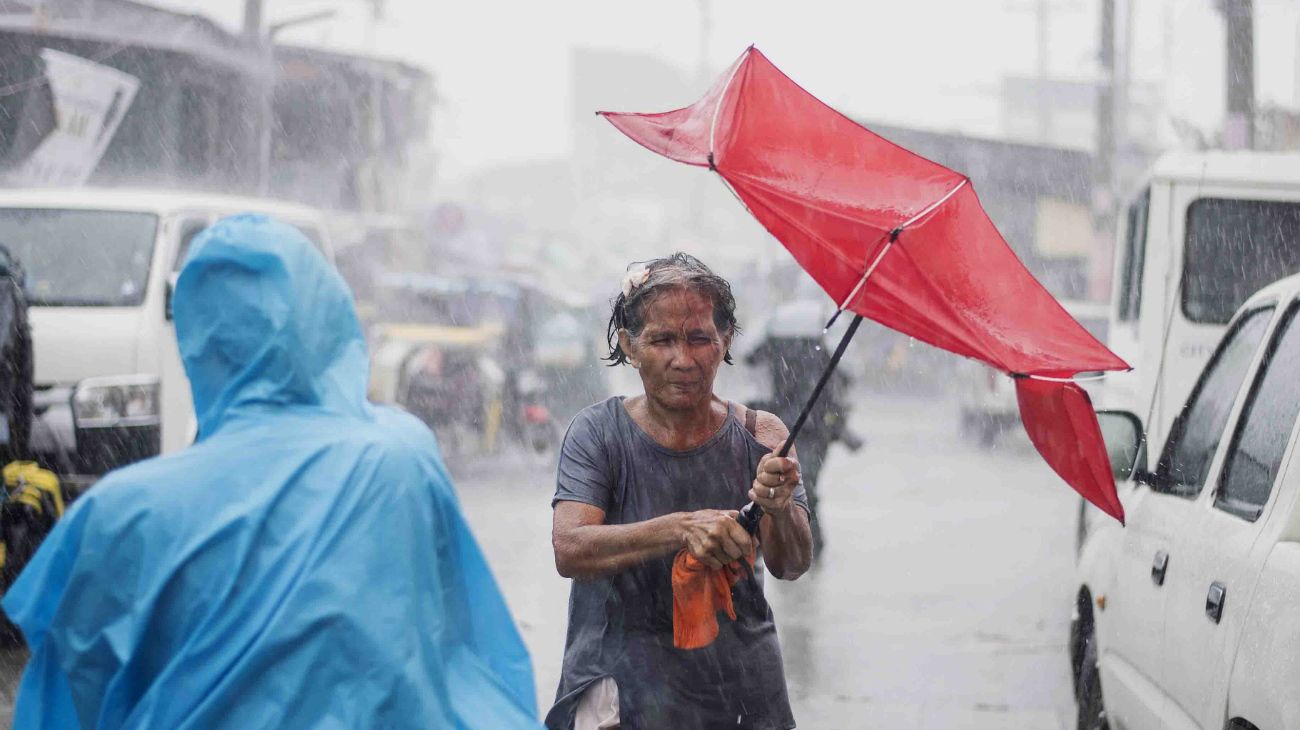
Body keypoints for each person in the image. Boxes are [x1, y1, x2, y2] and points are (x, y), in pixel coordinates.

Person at [1, 215, 541, 729]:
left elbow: (63, 705)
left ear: (196, 343)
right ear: (327, 322)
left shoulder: (117, 515)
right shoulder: (399, 459)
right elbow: (477, 650)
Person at [547, 253, 813, 730]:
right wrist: (681, 528)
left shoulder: (763, 436)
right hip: (622, 688)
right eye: (661, 339)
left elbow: (791, 565)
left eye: (699, 339)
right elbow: (571, 549)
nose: (682, 359)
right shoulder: (597, 434)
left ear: (725, 340)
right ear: (629, 345)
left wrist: (779, 509)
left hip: (740, 692)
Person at [745, 312, 863, 558]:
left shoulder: (779, 339)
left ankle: (807, 544)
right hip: (802, 428)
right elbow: (845, 380)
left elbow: (751, 359)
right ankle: (807, 544)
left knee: (798, 485)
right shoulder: (822, 342)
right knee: (801, 485)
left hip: (798, 427)